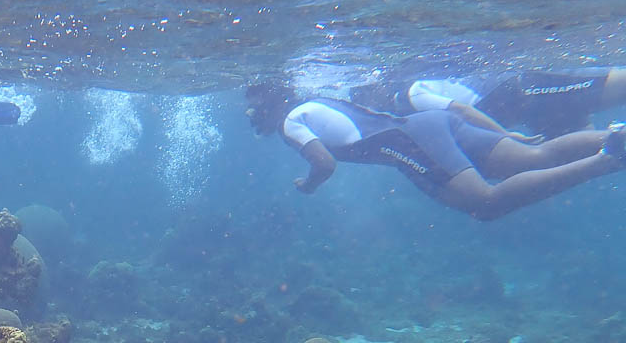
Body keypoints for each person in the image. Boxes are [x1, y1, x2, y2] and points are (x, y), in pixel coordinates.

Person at [245, 81, 626, 221]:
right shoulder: (316, 99)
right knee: (532, 158)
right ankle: (615, 135)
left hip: (413, 143)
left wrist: (308, 185)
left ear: (269, 103)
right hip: (429, 124)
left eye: (251, 104)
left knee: (486, 204)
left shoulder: (289, 123)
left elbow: (324, 164)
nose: (249, 114)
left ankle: (607, 159)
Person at [405, 68, 626, 140]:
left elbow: (462, 109)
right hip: (529, 108)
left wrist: (504, 135)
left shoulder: (416, 91)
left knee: (618, 85)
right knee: (599, 145)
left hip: (524, 92)